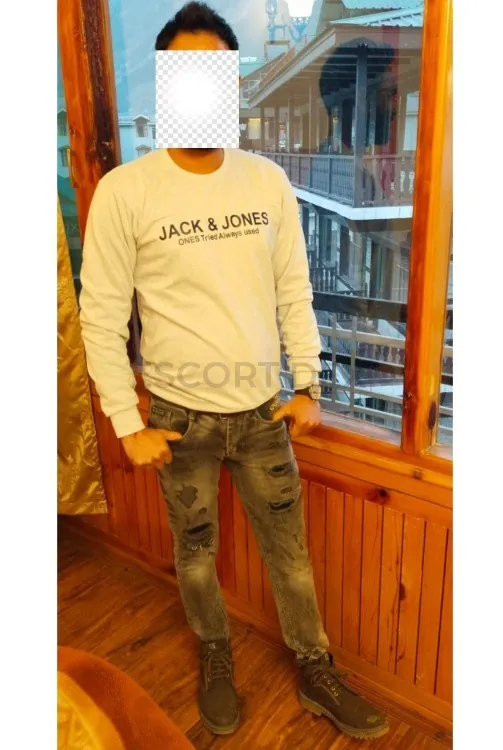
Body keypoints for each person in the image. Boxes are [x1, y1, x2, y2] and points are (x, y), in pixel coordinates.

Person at [80, 1, 388, 740]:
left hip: (260, 415)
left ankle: (314, 668)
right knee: (195, 556)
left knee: (291, 559)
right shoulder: (126, 190)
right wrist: (126, 421)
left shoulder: (266, 181)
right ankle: (215, 654)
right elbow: (101, 314)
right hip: (177, 420)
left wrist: (308, 383)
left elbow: (293, 290)